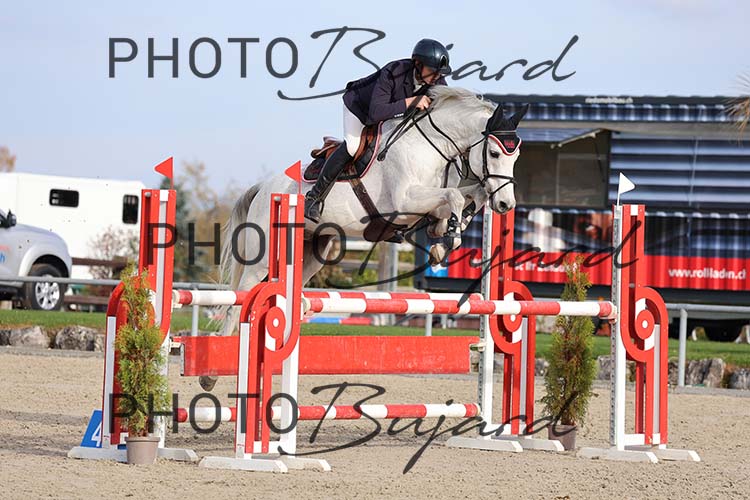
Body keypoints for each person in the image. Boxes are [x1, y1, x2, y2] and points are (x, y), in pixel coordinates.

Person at [304, 38, 451, 223]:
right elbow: (376, 113)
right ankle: (313, 198)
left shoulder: (437, 81)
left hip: (390, 115)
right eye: (432, 70)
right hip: (360, 108)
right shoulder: (393, 72)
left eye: (439, 73)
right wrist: (411, 102)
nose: (437, 76)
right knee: (352, 147)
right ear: (417, 64)